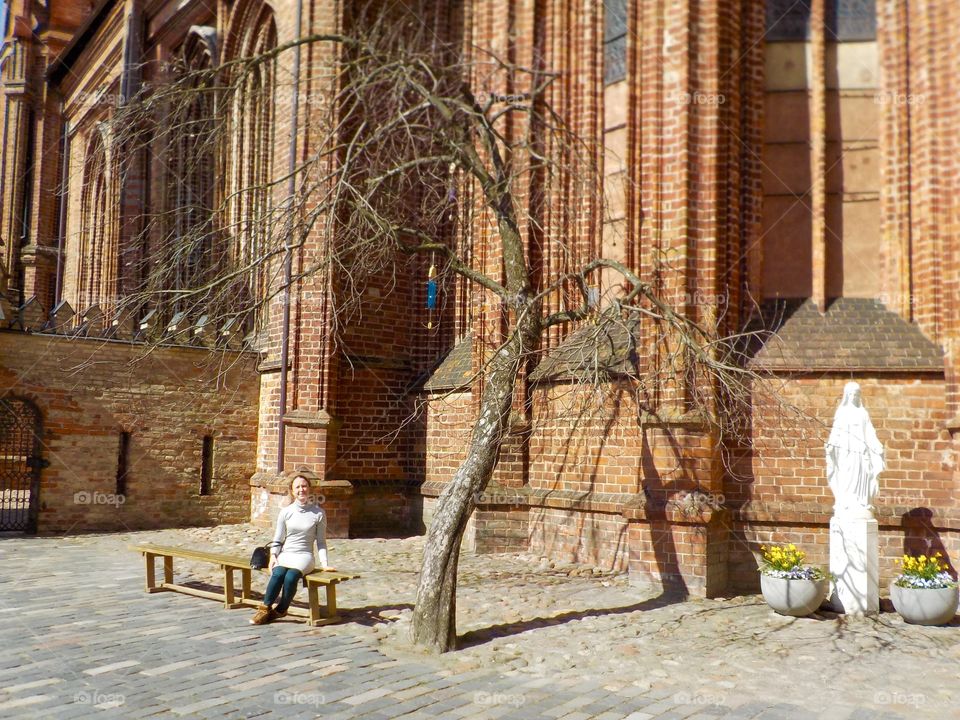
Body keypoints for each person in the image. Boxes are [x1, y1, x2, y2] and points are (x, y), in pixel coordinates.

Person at [250, 472, 334, 624]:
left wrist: (325, 563)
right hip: (287, 553)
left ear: (309, 489)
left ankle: (281, 609)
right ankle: (264, 609)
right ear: (292, 490)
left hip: (305, 556)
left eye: (304, 486)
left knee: (291, 577)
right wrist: (273, 556)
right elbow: (278, 538)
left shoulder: (318, 513)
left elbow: (321, 541)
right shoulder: (286, 512)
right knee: (278, 573)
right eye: (298, 487)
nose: (301, 489)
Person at [825, 381, 885, 519]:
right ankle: (845, 502)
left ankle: (861, 502)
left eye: (856, 394)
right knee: (846, 476)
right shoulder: (842, 412)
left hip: (860, 451)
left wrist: (876, 445)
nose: (853, 396)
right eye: (850, 394)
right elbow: (836, 432)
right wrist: (831, 444)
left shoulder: (862, 413)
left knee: (861, 476)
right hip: (845, 451)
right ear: (846, 395)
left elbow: (870, 433)